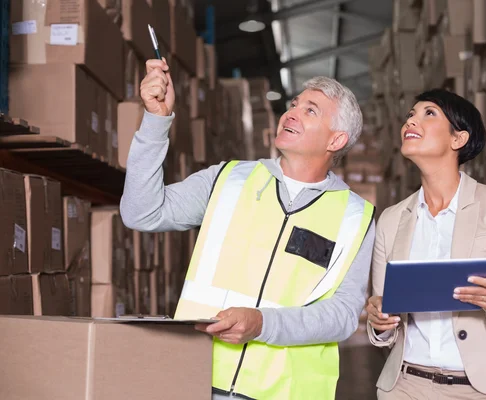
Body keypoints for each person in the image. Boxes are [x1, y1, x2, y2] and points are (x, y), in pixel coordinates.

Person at [120, 58, 375, 400]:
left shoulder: (355, 217)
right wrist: (155, 120)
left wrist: (263, 324)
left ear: (336, 140)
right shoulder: (228, 179)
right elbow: (141, 213)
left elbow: (343, 316)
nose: (291, 113)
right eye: (294, 105)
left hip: (285, 392)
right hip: (196, 378)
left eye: (310, 110)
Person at [366, 89, 486, 399]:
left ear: (458, 139)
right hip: (405, 387)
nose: (412, 120)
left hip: (484, 390)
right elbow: (385, 317)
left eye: (429, 113)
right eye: (410, 115)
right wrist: (380, 323)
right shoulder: (390, 220)